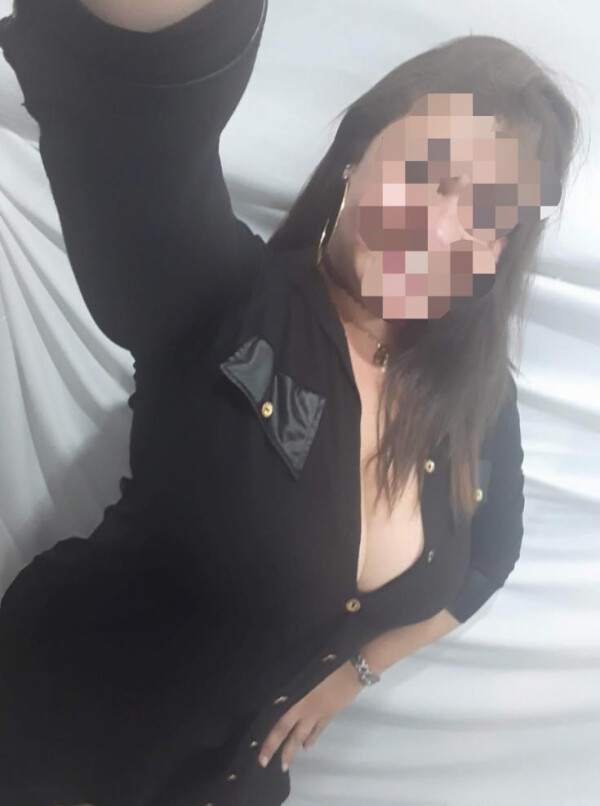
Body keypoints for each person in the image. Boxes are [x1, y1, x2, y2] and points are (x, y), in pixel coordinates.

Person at [0, 1, 580, 805]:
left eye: (487, 219)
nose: (441, 230)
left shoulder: (481, 401)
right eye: (426, 173)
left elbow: (490, 557)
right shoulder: (225, 302)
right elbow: (137, 131)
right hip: (49, 745)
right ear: (359, 153)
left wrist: (356, 671)